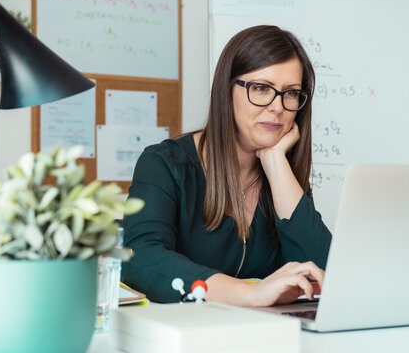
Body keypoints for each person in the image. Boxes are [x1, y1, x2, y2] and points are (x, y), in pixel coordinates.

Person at [122, 25, 332, 306]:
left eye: (291, 93)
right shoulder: (165, 164)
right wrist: (250, 294)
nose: (277, 107)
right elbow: (140, 256)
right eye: (260, 88)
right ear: (226, 90)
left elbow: (325, 272)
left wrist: (275, 162)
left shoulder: (284, 175)